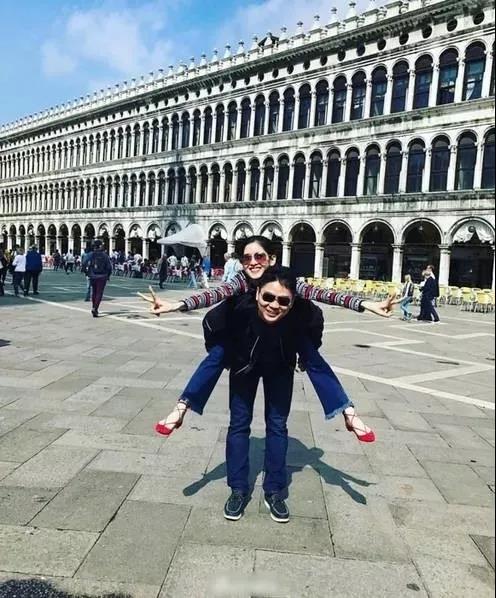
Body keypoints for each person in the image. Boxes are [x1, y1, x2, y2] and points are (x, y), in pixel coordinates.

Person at [141, 236, 394, 442]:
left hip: (282, 344)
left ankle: (347, 411)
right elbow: (215, 294)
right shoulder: (240, 281)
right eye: (247, 258)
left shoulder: (284, 280)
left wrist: (365, 304)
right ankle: (183, 406)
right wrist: (178, 305)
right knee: (218, 354)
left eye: (259, 256)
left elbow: (323, 294)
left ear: (271, 258)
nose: (253, 262)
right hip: (244, 344)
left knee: (309, 352)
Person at [82, 240, 112, 317]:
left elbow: (84, 263)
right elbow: (109, 267)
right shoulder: (105, 255)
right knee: (99, 293)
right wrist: (108, 275)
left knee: (94, 292)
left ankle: (93, 307)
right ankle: (95, 308)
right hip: (102, 276)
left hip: (93, 275)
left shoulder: (91, 254)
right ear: (100, 246)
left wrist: (86, 272)